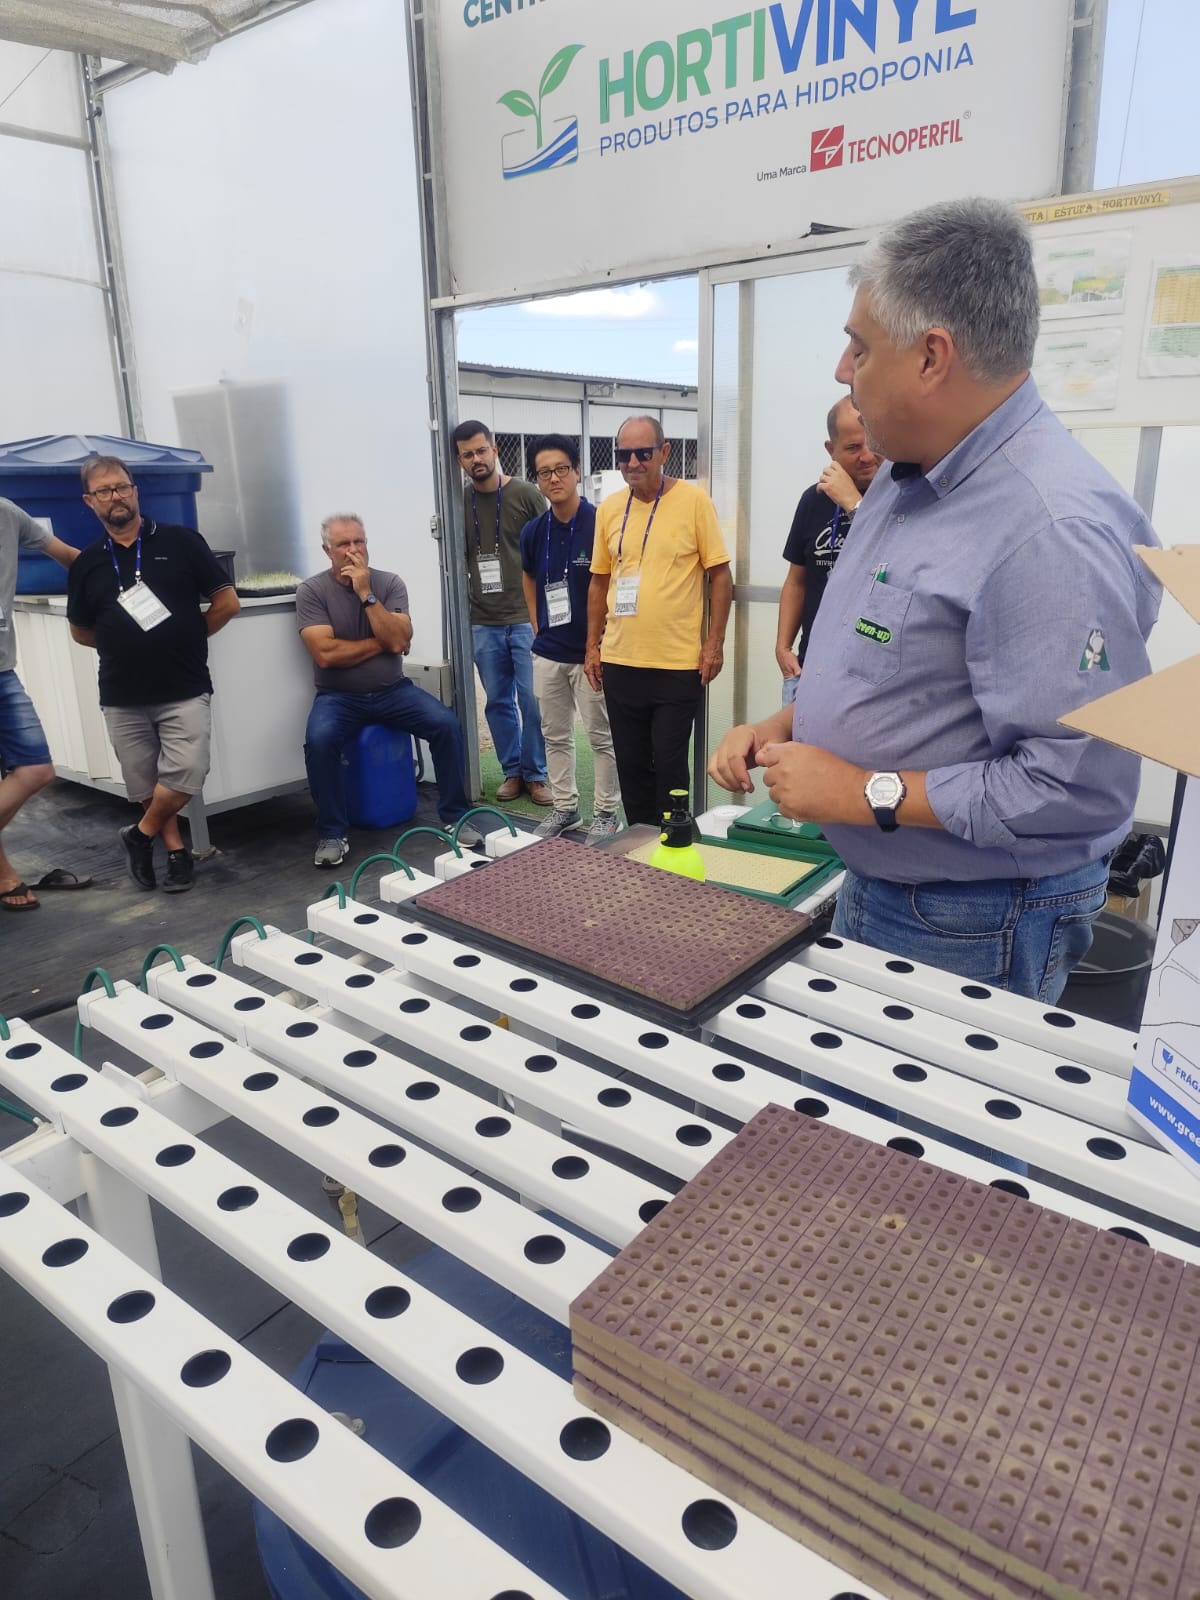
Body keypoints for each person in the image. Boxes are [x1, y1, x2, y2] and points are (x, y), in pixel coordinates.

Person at [709, 196, 1161, 1004]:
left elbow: (1074, 787)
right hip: (892, 884)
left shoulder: (1048, 530)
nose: (842, 370)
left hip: (976, 917)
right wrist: (785, 726)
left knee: (915, 1095)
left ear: (931, 357)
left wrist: (861, 792)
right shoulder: (905, 474)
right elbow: (899, 668)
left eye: (859, 346)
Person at [68, 455, 239, 893]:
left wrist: (187, 636)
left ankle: (138, 836)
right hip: (121, 693)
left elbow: (227, 603)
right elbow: (81, 631)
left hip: (184, 686)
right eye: (104, 490)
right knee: (145, 782)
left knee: (188, 770)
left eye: (122, 487)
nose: (116, 496)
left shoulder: (182, 542)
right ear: (89, 501)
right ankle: (175, 852)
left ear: (135, 491)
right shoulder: (87, 563)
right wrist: (124, 644)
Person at [297, 514, 481, 867]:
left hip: (393, 691)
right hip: (338, 697)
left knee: (446, 725)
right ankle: (332, 833)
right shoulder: (312, 591)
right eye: (343, 544)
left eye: (359, 541)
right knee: (319, 741)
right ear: (327, 550)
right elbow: (326, 654)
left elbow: (398, 639)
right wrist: (383, 643)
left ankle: (456, 817)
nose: (353, 550)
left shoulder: (389, 583)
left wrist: (366, 594)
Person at [585, 415, 732, 826]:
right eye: (623, 454)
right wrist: (592, 646)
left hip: (676, 665)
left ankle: (676, 846)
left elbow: (720, 576)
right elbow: (599, 582)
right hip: (620, 662)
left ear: (664, 452)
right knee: (631, 768)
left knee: (669, 767)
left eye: (643, 453)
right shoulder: (609, 509)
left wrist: (714, 643)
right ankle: (638, 846)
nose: (632, 462)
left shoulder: (694, 502)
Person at [519, 434, 621, 843]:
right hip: (549, 651)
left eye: (561, 469)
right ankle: (565, 808)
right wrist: (536, 624)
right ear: (537, 480)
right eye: (544, 472)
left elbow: (613, 580)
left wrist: (603, 638)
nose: (554, 478)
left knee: (601, 736)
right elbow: (528, 577)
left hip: (591, 653)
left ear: (577, 471)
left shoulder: (600, 522)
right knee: (554, 735)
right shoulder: (534, 531)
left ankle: (606, 813)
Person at [453, 420, 551, 806]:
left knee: (533, 701)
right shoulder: (458, 503)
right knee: (497, 701)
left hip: (526, 618)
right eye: (467, 454)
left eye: (481, 450)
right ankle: (513, 771)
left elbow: (547, 553)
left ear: (494, 450)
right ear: (459, 461)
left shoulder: (526, 494)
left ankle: (537, 774)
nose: (476, 459)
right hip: (483, 621)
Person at [0, 501, 79, 911]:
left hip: (1, 670)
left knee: (36, 769)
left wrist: (119, 575)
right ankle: (3, 875)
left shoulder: (6, 514)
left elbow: (67, 555)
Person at [776, 396, 882, 699]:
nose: (866, 456)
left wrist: (855, 505)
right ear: (830, 449)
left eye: (872, 443)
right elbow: (797, 580)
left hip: (869, 675)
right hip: (811, 667)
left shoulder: (900, 498)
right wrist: (783, 646)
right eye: (853, 447)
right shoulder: (814, 499)